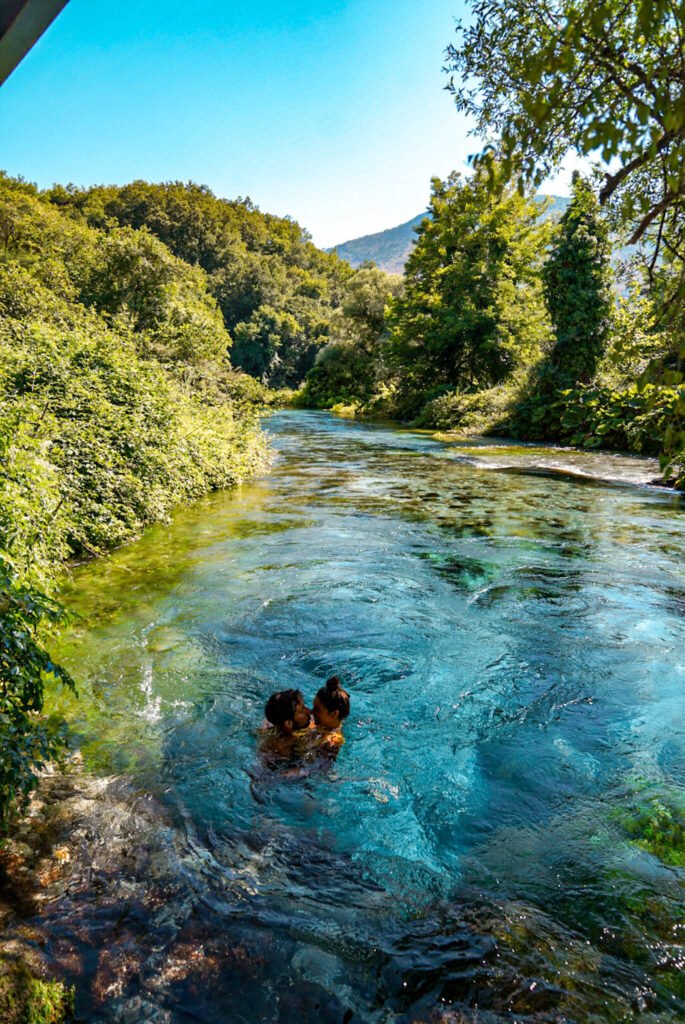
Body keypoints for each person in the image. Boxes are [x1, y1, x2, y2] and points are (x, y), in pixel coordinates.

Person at [259, 689, 313, 768]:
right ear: (289, 723)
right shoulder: (285, 745)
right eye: (302, 710)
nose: (308, 711)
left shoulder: (274, 726)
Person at [312, 676, 350, 758]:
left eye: (317, 710)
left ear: (334, 714)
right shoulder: (316, 722)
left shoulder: (332, 742)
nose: (311, 712)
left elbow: (317, 769)